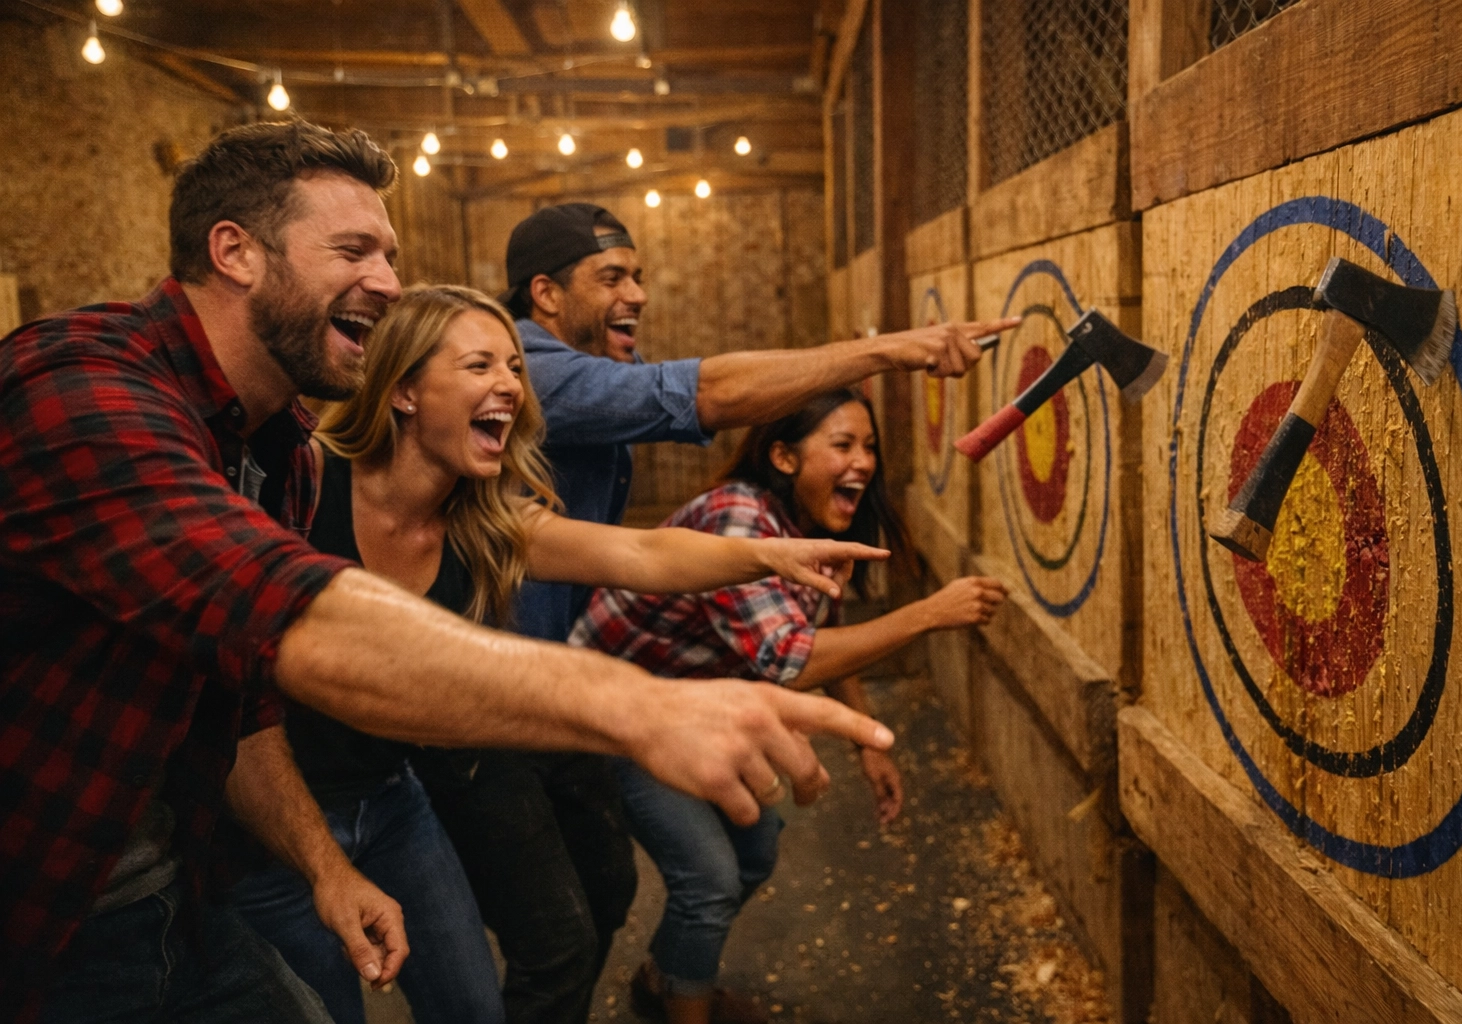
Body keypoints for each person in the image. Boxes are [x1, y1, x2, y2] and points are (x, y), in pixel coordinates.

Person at [0, 120, 891, 1024]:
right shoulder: (83, 386)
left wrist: (326, 864)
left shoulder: (280, 449)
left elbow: (237, 693)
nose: (387, 282)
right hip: (56, 909)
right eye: (354, 250)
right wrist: (640, 704)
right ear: (234, 251)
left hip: (188, 882)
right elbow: (281, 612)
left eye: (389, 255)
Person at [416, 202, 1021, 1024]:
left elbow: (637, 554)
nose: (637, 293)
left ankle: (652, 989)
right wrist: (889, 351)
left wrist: (764, 559)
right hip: (494, 704)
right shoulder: (540, 370)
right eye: (613, 277)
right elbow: (706, 392)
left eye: (639, 275)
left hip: (568, 690)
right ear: (546, 296)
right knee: (566, 932)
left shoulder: (582, 404)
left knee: (606, 891)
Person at [230, 283, 885, 1024]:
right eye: (480, 365)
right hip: (274, 820)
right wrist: (322, 862)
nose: (510, 384)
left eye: (514, 367)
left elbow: (640, 551)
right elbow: (238, 710)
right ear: (405, 390)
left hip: (390, 800)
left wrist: (772, 555)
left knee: (478, 1005)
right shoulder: (302, 490)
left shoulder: (479, 520)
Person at [571, 388, 1008, 1024]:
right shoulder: (739, 520)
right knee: (711, 878)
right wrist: (927, 615)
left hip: (689, 706)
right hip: (613, 715)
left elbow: (821, 627)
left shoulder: (807, 526)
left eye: (869, 446)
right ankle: (686, 1008)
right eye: (842, 445)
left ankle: (667, 979)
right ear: (782, 456)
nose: (863, 461)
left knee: (755, 849)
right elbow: (790, 658)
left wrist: (866, 742)